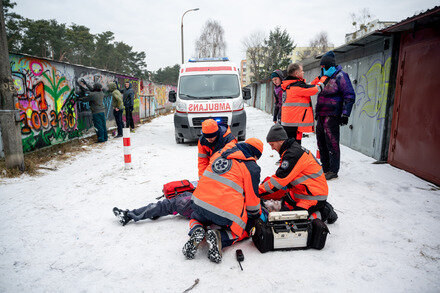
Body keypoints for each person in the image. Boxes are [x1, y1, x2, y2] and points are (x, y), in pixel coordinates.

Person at [183, 138, 263, 263]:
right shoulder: (251, 167)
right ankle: (221, 236)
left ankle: (197, 229)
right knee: (242, 229)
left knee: (196, 218)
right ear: (254, 154)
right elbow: (252, 202)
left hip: (199, 203)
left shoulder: (220, 153)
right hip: (224, 213)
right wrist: (255, 216)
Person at [259, 124, 338, 223]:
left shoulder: (292, 155)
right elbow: (282, 179)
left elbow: (279, 181)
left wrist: (257, 192)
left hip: (313, 196)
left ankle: (324, 212)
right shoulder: (291, 150)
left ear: (280, 141)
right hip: (302, 192)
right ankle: (321, 206)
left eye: (272, 144)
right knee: (284, 208)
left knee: (294, 220)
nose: (272, 148)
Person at [313, 51, 356, 180]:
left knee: (332, 142)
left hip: (332, 115)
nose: (322, 69)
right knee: (321, 141)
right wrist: (317, 112)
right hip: (321, 114)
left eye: (324, 67)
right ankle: (325, 167)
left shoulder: (341, 76)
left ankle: (333, 169)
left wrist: (345, 114)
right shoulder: (323, 78)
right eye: (321, 67)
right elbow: (319, 95)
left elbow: (349, 95)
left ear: (329, 65)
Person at [281, 63, 336, 145]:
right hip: (294, 125)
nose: (303, 72)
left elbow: (308, 86)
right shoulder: (297, 87)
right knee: (294, 149)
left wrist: (319, 78)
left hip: (291, 123)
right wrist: (326, 77)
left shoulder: (290, 85)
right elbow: (316, 89)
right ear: (296, 73)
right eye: (302, 71)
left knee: (292, 148)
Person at [112, 188, 196, 226]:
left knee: (173, 204)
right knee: (175, 203)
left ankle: (128, 215)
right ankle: (156, 211)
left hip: (198, 204)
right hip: (202, 202)